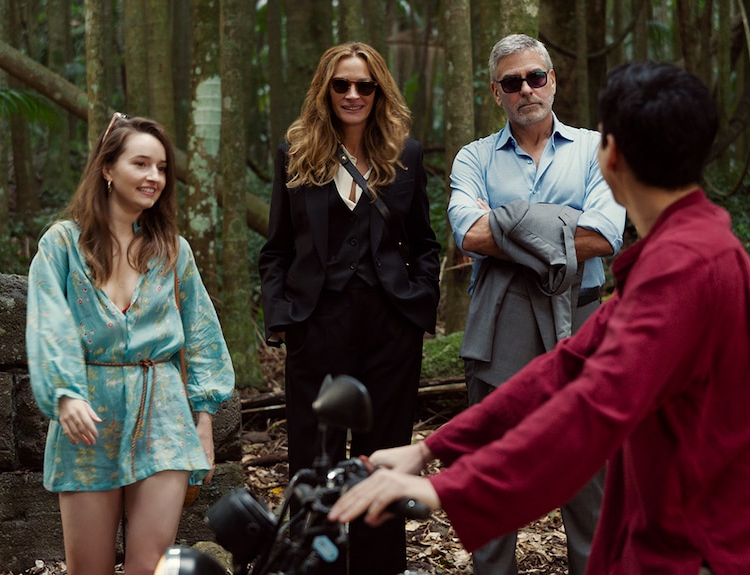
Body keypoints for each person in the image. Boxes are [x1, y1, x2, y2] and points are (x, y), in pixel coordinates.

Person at [329, 61, 750, 575]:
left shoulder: (688, 266)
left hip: (724, 559)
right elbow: (567, 368)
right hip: (669, 551)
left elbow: (595, 408)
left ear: (610, 156)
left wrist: (442, 489)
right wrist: (430, 451)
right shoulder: (678, 253)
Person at [258, 42, 441, 575]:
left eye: (365, 85)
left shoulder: (405, 154)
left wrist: (418, 305)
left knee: (381, 463)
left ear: (378, 91)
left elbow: (425, 244)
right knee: (313, 468)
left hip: (391, 331)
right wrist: (285, 321)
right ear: (326, 90)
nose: (353, 94)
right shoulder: (296, 153)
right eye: (342, 85)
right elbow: (276, 250)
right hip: (317, 328)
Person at [446, 33, 625, 575]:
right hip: (499, 325)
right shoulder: (473, 156)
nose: (526, 89)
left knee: (589, 473)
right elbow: (468, 236)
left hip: (586, 319)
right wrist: (560, 225)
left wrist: (510, 220)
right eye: (512, 82)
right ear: (496, 92)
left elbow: (604, 236)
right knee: (492, 468)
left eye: (535, 77)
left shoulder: (598, 149)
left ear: (553, 80)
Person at [26, 113, 235, 575]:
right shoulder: (62, 244)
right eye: (141, 163)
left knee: (151, 567)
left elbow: (202, 336)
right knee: (90, 570)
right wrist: (65, 393)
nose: (154, 177)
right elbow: (48, 326)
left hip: (162, 414)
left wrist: (204, 420)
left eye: (161, 167)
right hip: (89, 418)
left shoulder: (172, 250)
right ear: (107, 168)